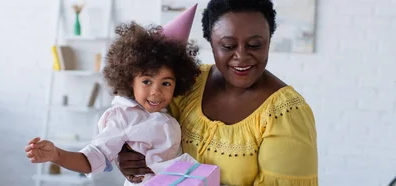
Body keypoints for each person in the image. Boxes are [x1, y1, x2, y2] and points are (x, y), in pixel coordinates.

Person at [116, 0, 319, 185]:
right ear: (211, 42)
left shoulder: (285, 114)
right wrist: (127, 155)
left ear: (268, 41)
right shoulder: (188, 84)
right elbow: (144, 125)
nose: (241, 56)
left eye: (255, 45)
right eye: (228, 46)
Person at [24, 4, 203, 186]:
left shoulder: (170, 111)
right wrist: (57, 155)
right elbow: (92, 157)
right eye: (146, 81)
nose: (156, 91)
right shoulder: (122, 117)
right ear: (129, 80)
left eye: (166, 83)